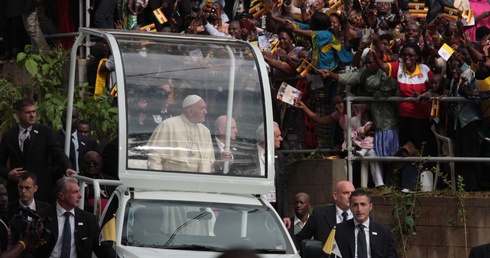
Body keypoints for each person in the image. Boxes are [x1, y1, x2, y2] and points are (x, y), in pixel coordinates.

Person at [0, 99, 76, 203]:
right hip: (17, 191)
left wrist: (67, 167)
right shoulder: (9, 135)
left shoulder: (45, 132)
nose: (32, 115)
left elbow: (57, 152)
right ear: (18, 114)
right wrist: (8, 173)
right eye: (28, 112)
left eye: (34, 112)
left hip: (41, 190)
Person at [34, 177, 116, 258]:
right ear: (61, 195)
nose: (80, 195)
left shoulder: (89, 219)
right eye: (75, 192)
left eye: (79, 191)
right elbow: (30, 249)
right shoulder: (41, 216)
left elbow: (102, 248)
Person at [147, 95, 215, 173]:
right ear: (190, 111)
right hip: (172, 181)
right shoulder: (168, 125)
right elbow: (154, 159)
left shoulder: (205, 131)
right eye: (202, 108)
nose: (206, 112)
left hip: (197, 182)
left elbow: (209, 162)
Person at [334, 189, 397, 258]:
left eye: (363, 204)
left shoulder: (383, 232)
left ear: (370, 207)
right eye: (355, 205)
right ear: (350, 207)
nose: (359, 209)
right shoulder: (339, 230)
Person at [293, 180, 355, 249]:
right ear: (335, 196)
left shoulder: (360, 216)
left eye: (353, 193)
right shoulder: (320, 214)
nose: (350, 196)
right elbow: (299, 239)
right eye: (346, 193)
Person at [255, 122, 290, 229]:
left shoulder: (279, 157)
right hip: (255, 206)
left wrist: (285, 214)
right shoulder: (250, 154)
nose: (281, 139)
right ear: (267, 137)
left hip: (274, 205)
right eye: (277, 136)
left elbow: (282, 187)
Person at [7, 172, 50, 245]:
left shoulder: (46, 208)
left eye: (27, 188)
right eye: (21, 187)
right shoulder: (8, 209)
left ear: (35, 188)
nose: (23, 191)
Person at [57, 107, 99, 174]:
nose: (69, 120)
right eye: (66, 117)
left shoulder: (89, 142)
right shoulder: (54, 140)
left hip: (83, 181)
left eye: (73, 117)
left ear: (78, 120)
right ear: (61, 119)